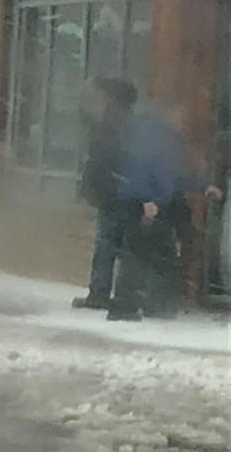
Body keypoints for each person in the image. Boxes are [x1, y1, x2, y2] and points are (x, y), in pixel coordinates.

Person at [106, 101, 195, 322]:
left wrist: (203, 186)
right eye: (182, 118)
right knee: (137, 254)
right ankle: (124, 307)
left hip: (154, 204)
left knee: (159, 255)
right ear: (170, 114)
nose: (184, 124)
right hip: (143, 204)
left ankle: (154, 304)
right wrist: (145, 199)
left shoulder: (166, 140)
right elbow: (137, 170)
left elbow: (171, 176)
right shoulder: (153, 138)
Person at [73, 78, 137, 312]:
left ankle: (102, 294)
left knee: (108, 245)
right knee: (121, 246)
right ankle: (122, 295)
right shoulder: (126, 122)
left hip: (113, 193)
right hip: (121, 191)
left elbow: (100, 161)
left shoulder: (109, 124)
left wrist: (91, 190)